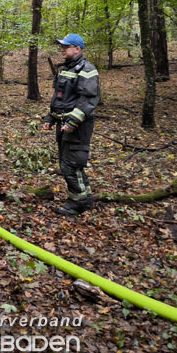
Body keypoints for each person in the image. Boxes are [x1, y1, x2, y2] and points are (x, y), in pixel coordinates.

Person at [42, 34, 100, 216]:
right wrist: (50, 118)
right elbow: (60, 98)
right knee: (67, 164)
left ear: (77, 49)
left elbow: (88, 100)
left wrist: (73, 121)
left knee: (71, 165)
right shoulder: (65, 69)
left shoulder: (87, 70)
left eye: (66, 47)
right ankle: (83, 199)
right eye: (62, 46)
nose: (62, 50)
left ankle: (79, 203)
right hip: (64, 125)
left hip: (78, 127)